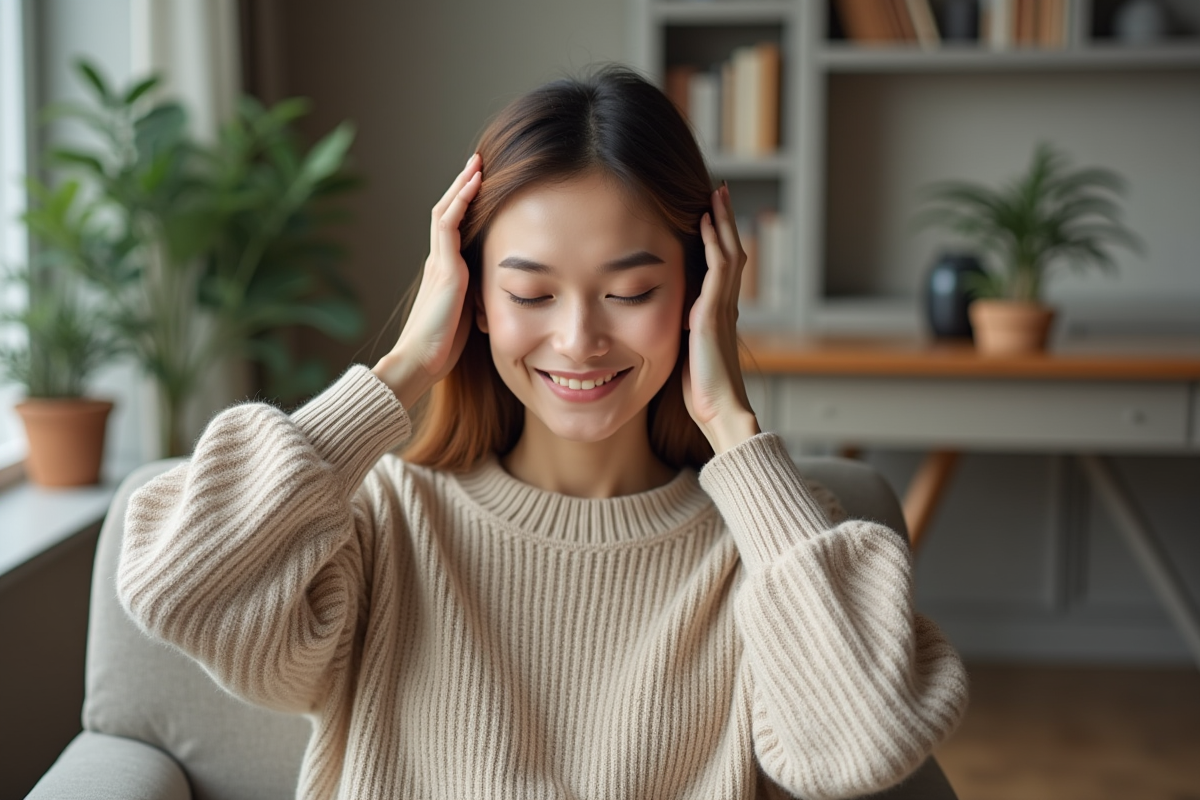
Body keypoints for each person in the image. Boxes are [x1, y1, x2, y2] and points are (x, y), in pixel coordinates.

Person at [117, 65, 968, 800]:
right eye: (530, 294)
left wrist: (733, 429)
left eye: (631, 293)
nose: (578, 340)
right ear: (474, 300)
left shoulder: (765, 550)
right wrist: (409, 364)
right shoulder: (384, 524)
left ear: (699, 296)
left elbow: (868, 740)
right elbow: (180, 585)